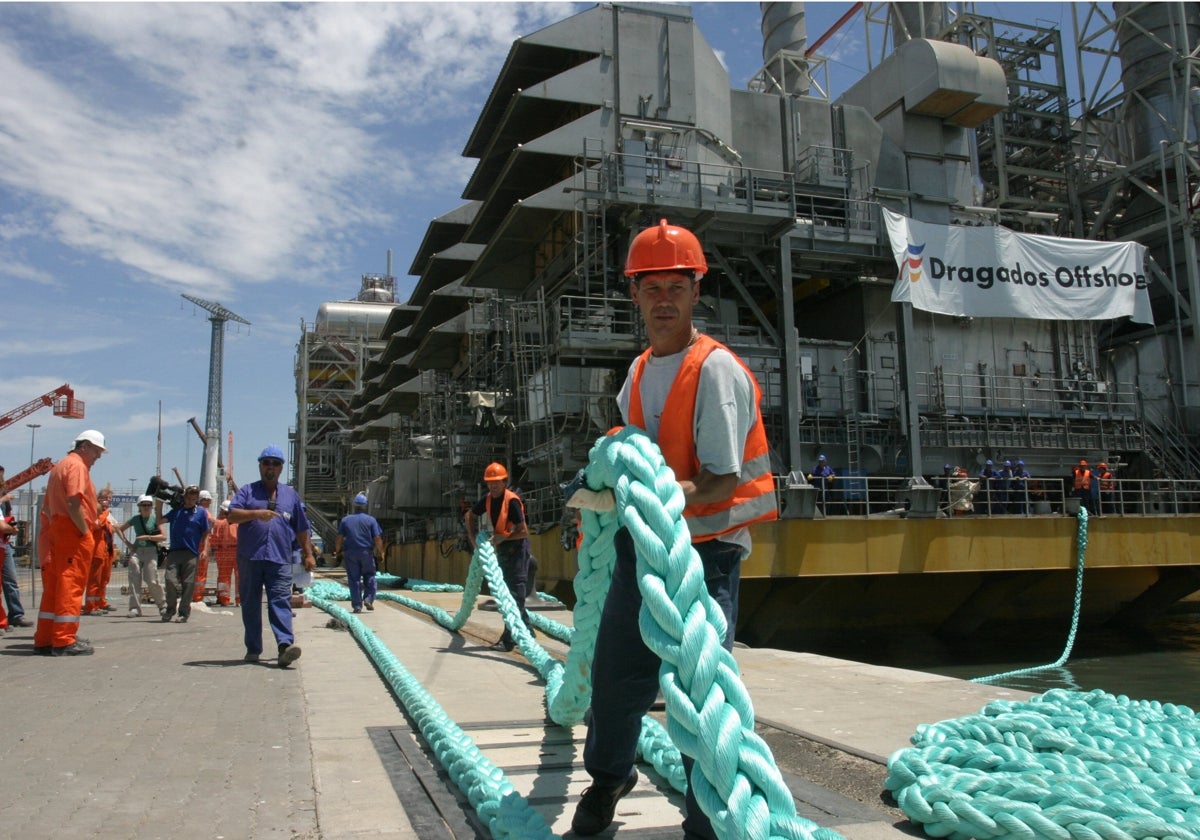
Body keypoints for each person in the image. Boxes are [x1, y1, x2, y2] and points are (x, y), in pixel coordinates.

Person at [567, 219, 777, 838]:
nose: (664, 299)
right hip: (641, 551)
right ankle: (608, 780)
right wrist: (600, 490)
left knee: (696, 690)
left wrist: (652, 499)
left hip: (704, 558)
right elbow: (629, 455)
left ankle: (705, 818)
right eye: (651, 287)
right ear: (635, 294)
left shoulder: (714, 371)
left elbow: (719, 479)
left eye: (676, 287)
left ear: (694, 293)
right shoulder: (635, 375)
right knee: (614, 681)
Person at [228, 445, 315, 667]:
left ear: (281, 468)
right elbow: (232, 515)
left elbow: (301, 528)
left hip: (279, 559)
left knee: (280, 601)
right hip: (250, 558)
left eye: (275, 464)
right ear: (260, 466)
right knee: (250, 604)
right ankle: (253, 648)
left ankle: (285, 646)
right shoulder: (247, 491)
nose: (271, 467)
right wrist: (257, 514)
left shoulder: (290, 496)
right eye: (267, 462)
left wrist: (308, 554)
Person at [33, 429, 107, 656]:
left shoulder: (60, 467)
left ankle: (45, 638)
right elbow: (74, 502)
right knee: (71, 583)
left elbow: (47, 506)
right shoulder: (76, 466)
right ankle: (64, 639)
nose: (99, 457)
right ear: (84, 446)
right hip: (72, 531)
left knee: (55, 586)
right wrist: (84, 531)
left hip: (58, 528)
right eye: (97, 451)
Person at [464, 464, 533, 651]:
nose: (493, 486)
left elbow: (524, 532)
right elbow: (469, 515)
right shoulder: (487, 499)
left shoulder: (511, 501)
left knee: (513, 596)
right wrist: (472, 537)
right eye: (490, 483)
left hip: (517, 550)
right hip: (503, 549)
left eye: (497, 482)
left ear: (504, 481)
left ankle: (508, 640)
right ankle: (527, 630)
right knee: (509, 592)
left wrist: (504, 537)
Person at [156, 484, 211, 623]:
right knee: (170, 580)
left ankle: (184, 612)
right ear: (185, 496)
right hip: (174, 552)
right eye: (189, 496)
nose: (191, 500)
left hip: (191, 553)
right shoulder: (176, 511)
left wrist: (204, 549)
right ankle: (170, 610)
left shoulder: (201, 513)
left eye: (194, 497)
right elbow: (160, 521)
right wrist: (158, 504)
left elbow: (206, 533)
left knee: (188, 583)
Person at [117, 495, 167, 617]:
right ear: (139, 507)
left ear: (151, 507)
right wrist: (128, 544)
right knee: (134, 577)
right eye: (143, 505)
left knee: (152, 579)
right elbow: (119, 529)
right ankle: (135, 608)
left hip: (151, 551)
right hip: (137, 550)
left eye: (148, 505)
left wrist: (148, 537)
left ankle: (162, 605)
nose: (146, 507)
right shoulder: (135, 519)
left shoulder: (155, 519)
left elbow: (163, 536)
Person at [335, 493, 383, 614]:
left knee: (353, 579)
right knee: (369, 575)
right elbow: (377, 538)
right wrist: (381, 552)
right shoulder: (371, 520)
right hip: (366, 552)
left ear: (354, 506)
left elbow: (339, 538)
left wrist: (338, 551)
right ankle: (368, 598)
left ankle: (357, 606)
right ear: (365, 506)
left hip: (350, 553)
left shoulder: (345, 520)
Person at [0, 467, 30, 627]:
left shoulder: (4, 494)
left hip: (4, 543)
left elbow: (7, 515)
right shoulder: (3, 497)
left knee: (10, 580)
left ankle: (16, 615)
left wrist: (11, 526)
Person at [83, 487, 118, 614]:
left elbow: (114, 528)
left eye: (109, 499)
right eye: (104, 499)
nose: (107, 502)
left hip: (106, 551)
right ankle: (90, 605)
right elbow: (96, 524)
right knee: (94, 579)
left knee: (104, 579)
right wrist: (105, 513)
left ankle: (100, 602)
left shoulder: (108, 515)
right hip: (96, 550)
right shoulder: (95, 512)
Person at [210, 500, 239, 606]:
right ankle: (239, 599)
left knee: (223, 576)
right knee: (239, 576)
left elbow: (214, 539)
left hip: (222, 552)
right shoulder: (237, 522)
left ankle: (223, 599)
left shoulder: (218, 522)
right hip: (237, 551)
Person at [192, 489, 215, 602]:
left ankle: (195, 595)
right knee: (201, 571)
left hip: (199, 542)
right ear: (204, 500)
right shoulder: (203, 511)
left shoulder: (196, 510)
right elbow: (211, 521)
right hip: (202, 544)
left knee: (196, 571)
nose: (210, 502)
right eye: (208, 500)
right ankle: (197, 596)